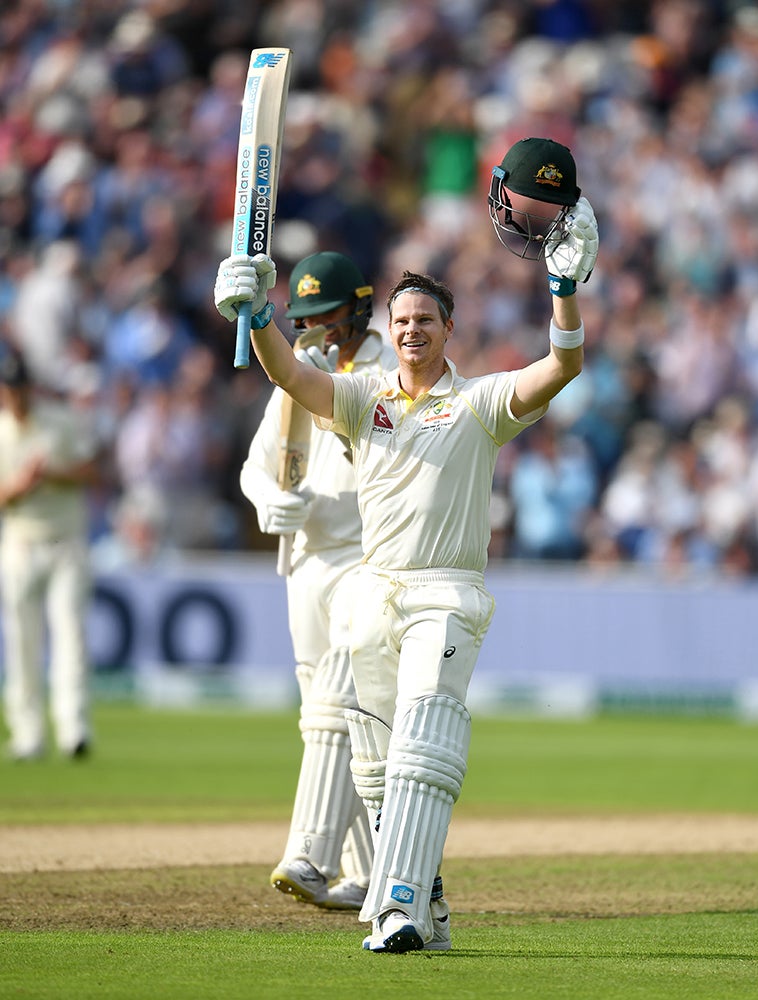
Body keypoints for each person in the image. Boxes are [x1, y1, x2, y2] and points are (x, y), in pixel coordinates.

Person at [214, 137, 599, 953]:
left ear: (449, 329)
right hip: (370, 593)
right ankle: (431, 906)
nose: (414, 330)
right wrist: (258, 314)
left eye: (426, 320)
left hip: (445, 593)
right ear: (388, 329)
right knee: (380, 769)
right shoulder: (363, 398)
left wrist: (563, 291)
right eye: (403, 320)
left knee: (427, 737)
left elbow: (562, 366)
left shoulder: (482, 402)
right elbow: (291, 377)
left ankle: (394, 908)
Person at [238, 252, 397, 910]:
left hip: (366, 558)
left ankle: (310, 854)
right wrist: (264, 503)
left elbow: (398, 480)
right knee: (326, 720)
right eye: (301, 319)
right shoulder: (298, 375)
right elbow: (259, 464)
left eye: (325, 316)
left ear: (359, 309)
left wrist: (331, 506)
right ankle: (364, 872)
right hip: (304, 563)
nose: (314, 330)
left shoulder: (394, 377)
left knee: (338, 703)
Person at [0, 347, 100, 760]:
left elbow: (92, 472)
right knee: (22, 641)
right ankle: (27, 734)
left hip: (66, 544)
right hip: (21, 545)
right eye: (10, 390)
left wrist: (53, 475)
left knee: (69, 637)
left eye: (20, 387)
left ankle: (73, 729)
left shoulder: (59, 422)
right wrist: (22, 485)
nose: (17, 397)